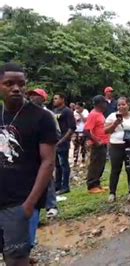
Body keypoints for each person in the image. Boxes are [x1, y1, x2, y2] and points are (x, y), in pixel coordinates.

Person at [0, 63, 57, 265]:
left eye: (21, 84)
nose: (16, 88)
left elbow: (48, 162)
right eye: (9, 83)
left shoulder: (41, 117)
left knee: (16, 259)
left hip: (19, 203)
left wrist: (30, 205)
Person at [27, 89, 60, 219]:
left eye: (36, 96)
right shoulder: (24, 114)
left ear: (43, 98)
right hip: (29, 153)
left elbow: (57, 133)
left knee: (48, 178)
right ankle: (34, 209)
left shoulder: (48, 115)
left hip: (45, 152)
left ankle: (51, 206)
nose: (32, 98)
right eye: (31, 96)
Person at [105, 97, 130, 202]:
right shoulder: (112, 116)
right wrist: (115, 124)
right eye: (119, 105)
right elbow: (105, 130)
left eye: (123, 104)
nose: (121, 107)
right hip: (116, 145)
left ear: (128, 105)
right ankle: (112, 193)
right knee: (115, 169)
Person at [84, 95, 110, 194]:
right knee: (95, 165)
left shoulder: (100, 114)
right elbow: (86, 130)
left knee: (100, 165)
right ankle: (92, 185)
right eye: (104, 103)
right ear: (100, 104)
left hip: (103, 143)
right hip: (97, 144)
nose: (105, 105)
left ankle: (97, 184)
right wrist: (96, 140)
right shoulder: (93, 114)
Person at [53, 93, 76, 195]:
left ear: (62, 99)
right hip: (55, 141)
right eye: (54, 99)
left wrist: (62, 140)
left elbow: (72, 128)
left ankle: (65, 186)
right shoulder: (54, 111)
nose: (54, 100)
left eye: (56, 98)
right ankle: (57, 185)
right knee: (57, 165)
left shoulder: (67, 111)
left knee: (64, 164)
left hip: (63, 141)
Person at [73, 102, 89, 166]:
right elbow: (74, 120)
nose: (77, 109)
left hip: (83, 130)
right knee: (75, 146)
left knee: (83, 146)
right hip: (76, 130)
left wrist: (80, 114)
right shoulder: (74, 112)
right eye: (76, 107)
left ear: (82, 107)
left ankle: (83, 160)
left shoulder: (85, 112)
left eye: (78, 108)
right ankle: (75, 160)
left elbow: (86, 120)